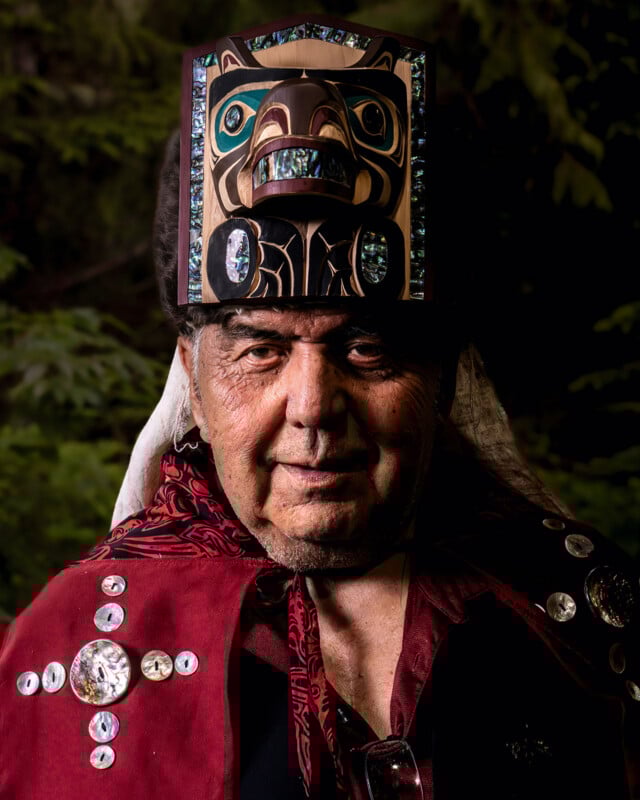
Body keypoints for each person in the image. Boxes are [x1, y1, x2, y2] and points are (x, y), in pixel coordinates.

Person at [0, 15, 638, 800]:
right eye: (259, 350)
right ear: (190, 381)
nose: (312, 408)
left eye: (367, 348)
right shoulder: (65, 653)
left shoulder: (582, 623)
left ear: (443, 377)